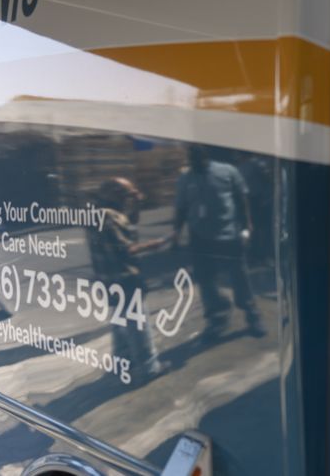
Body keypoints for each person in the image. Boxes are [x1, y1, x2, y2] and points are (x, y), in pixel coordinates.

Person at [173, 145, 266, 337]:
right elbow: (181, 208)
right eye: (192, 158)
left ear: (206, 156)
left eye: (198, 157)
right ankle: (217, 317)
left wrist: (248, 226)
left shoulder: (228, 172)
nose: (195, 161)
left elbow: (242, 200)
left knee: (239, 275)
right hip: (200, 238)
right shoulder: (185, 178)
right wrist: (176, 233)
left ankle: (252, 314)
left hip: (229, 235)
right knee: (206, 279)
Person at [88, 177, 168, 376]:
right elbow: (127, 249)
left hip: (110, 279)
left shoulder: (100, 213)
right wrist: (157, 243)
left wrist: (136, 203)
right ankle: (149, 368)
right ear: (115, 197)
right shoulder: (107, 216)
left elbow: (130, 224)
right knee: (137, 324)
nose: (128, 201)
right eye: (126, 197)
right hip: (123, 278)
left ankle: (123, 362)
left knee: (120, 323)